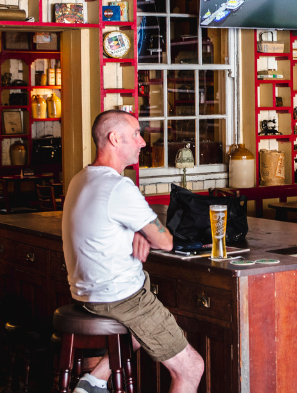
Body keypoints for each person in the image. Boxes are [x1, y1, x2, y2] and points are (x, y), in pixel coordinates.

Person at [62, 110, 204, 393]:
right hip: (120, 299)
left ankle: (93, 382)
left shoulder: (81, 179)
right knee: (191, 368)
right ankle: (94, 382)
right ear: (115, 139)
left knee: (148, 297)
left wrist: (139, 232)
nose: (142, 142)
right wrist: (147, 233)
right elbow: (165, 241)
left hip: (88, 294)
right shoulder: (119, 187)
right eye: (137, 134)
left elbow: (114, 224)